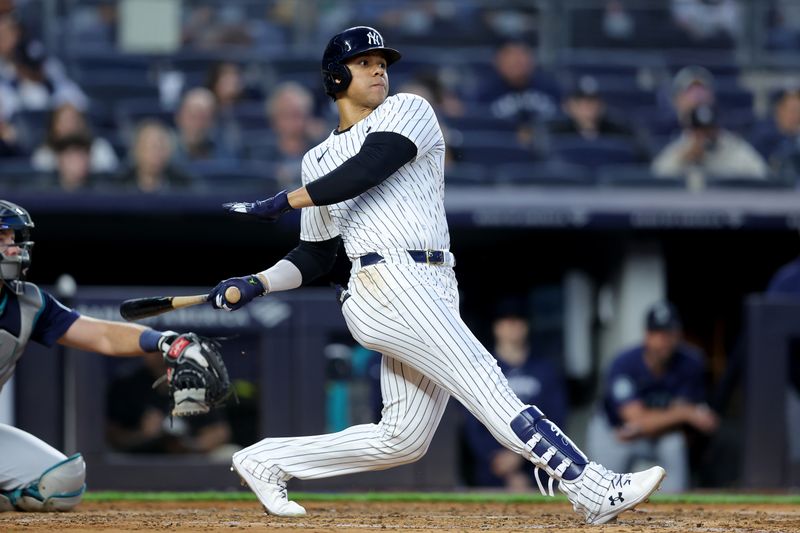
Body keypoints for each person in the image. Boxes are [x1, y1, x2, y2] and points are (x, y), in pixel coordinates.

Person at [206, 26, 665, 525]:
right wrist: (257, 282)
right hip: (386, 284)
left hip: (434, 281)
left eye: (382, 61)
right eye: (364, 62)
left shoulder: (409, 110)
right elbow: (315, 256)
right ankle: (590, 485)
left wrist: (285, 200)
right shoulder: (316, 160)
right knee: (486, 380)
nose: (379, 68)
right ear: (335, 77)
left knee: (403, 438)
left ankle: (265, 460)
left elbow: (370, 166)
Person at [0, 199, 201, 512]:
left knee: (63, 481)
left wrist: (163, 341)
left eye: (13, 239)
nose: (13, 248)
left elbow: (103, 335)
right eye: (2, 239)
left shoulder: (28, 302)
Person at [586, 302, 718, 493]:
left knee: (674, 444)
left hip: (662, 435)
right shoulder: (624, 363)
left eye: (670, 333)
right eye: (659, 333)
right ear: (647, 335)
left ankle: (674, 508)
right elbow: (635, 419)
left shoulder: (691, 362)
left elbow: (704, 421)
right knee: (603, 492)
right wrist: (683, 412)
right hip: (616, 432)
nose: (665, 340)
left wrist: (674, 417)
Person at [462, 297, 568, 491]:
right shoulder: (481, 369)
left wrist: (521, 456)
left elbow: (556, 419)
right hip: (491, 466)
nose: (513, 328)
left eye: (518, 322)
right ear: (496, 327)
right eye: (507, 322)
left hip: (538, 465)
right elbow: (472, 422)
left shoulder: (544, 369)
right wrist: (499, 460)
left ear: (526, 326)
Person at [106, 352, 235, 458]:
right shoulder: (128, 383)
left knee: (229, 454)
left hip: (191, 456)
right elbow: (112, 435)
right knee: (110, 457)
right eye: (155, 350)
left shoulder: (196, 381)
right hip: (140, 456)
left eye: (168, 350)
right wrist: (143, 435)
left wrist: (190, 445)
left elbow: (220, 431)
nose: (162, 356)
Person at [651, 104, 768, 181]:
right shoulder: (682, 146)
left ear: (717, 129)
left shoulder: (732, 146)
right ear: (691, 130)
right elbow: (656, 175)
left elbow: (761, 172)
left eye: (708, 130)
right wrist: (683, 160)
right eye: (699, 130)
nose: (704, 135)